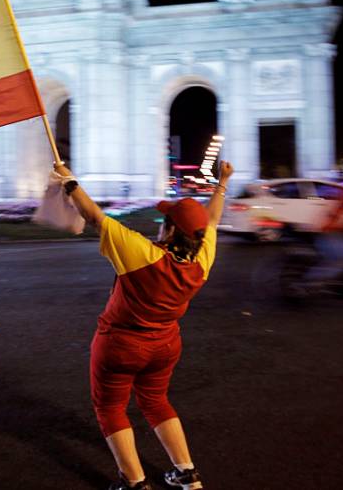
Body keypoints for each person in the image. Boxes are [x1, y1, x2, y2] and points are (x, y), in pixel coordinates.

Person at [54, 160, 233, 490]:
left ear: (170, 230)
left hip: (120, 345)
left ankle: (134, 482)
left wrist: (69, 182)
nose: (161, 224)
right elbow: (214, 220)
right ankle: (186, 472)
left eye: (165, 220)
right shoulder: (201, 260)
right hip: (165, 345)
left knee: (110, 407)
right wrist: (222, 183)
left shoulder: (143, 254)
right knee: (156, 401)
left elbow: (95, 217)